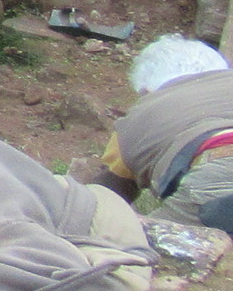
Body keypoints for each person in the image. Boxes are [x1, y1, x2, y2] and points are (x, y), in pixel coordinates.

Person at [79, 34, 233, 232]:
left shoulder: (138, 118)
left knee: (130, 241)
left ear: (146, 91)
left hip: (217, 178)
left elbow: (107, 197)